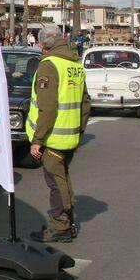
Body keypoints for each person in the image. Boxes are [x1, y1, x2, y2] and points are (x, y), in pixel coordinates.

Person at [27, 27, 91, 243]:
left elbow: (47, 107)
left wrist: (38, 140)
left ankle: (59, 226)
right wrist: (79, 130)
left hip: (53, 137)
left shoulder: (49, 65)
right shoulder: (74, 64)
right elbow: (85, 104)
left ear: (44, 44)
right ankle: (67, 223)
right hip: (70, 135)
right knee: (63, 178)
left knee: (55, 182)